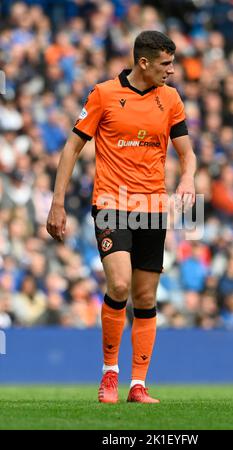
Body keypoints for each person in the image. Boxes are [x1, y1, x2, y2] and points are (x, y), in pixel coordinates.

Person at [46, 30, 196, 403]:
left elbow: (187, 153)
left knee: (145, 297)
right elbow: (71, 148)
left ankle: (138, 385)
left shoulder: (171, 99)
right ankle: (109, 374)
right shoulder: (104, 95)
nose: (171, 71)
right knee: (119, 285)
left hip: (152, 209)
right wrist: (58, 202)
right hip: (112, 204)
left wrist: (189, 177)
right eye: (165, 64)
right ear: (143, 62)